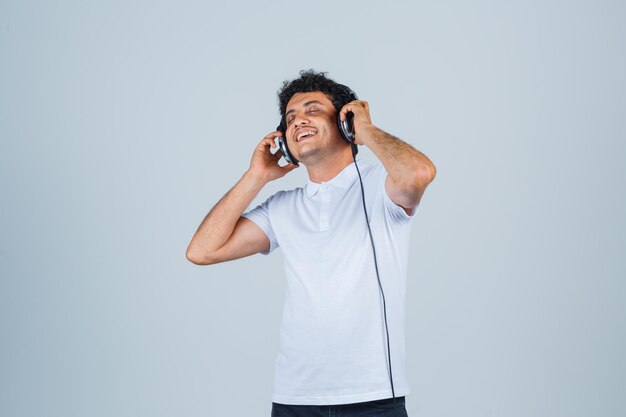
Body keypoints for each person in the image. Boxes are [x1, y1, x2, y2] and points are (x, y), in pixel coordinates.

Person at [186, 70, 436, 417]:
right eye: (290, 118)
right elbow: (202, 251)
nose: (298, 120)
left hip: (374, 397)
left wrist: (364, 130)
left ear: (344, 123)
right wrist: (256, 176)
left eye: (312, 110)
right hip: (295, 399)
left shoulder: (382, 184)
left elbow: (418, 174)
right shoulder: (282, 207)